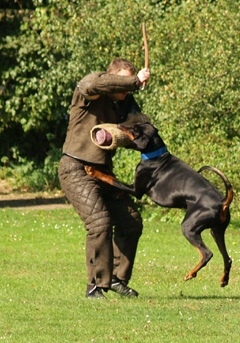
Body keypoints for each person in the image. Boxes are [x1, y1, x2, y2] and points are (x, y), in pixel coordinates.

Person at [58, 58, 151, 299]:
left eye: (128, 82)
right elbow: (93, 83)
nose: (124, 88)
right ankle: (96, 286)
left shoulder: (123, 105)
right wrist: (133, 81)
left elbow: (142, 130)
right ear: (112, 78)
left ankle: (118, 279)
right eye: (120, 81)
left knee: (131, 220)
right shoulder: (89, 92)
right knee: (99, 222)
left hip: (103, 174)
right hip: (75, 169)